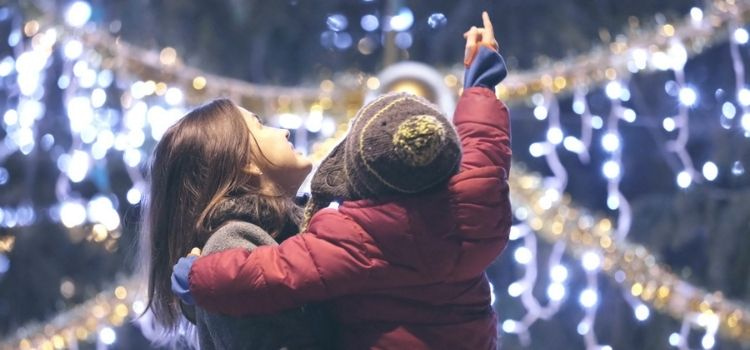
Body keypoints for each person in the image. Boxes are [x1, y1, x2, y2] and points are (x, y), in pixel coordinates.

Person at [173, 11, 511, 349]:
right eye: (261, 126)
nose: (284, 128)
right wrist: (481, 84)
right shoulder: (470, 206)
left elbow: (268, 275)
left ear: (362, 168)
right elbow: (484, 147)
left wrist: (197, 276)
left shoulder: (355, 235)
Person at [141, 98, 334, 349]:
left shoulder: (274, 233)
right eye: (260, 125)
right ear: (246, 162)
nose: (284, 131)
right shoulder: (231, 246)